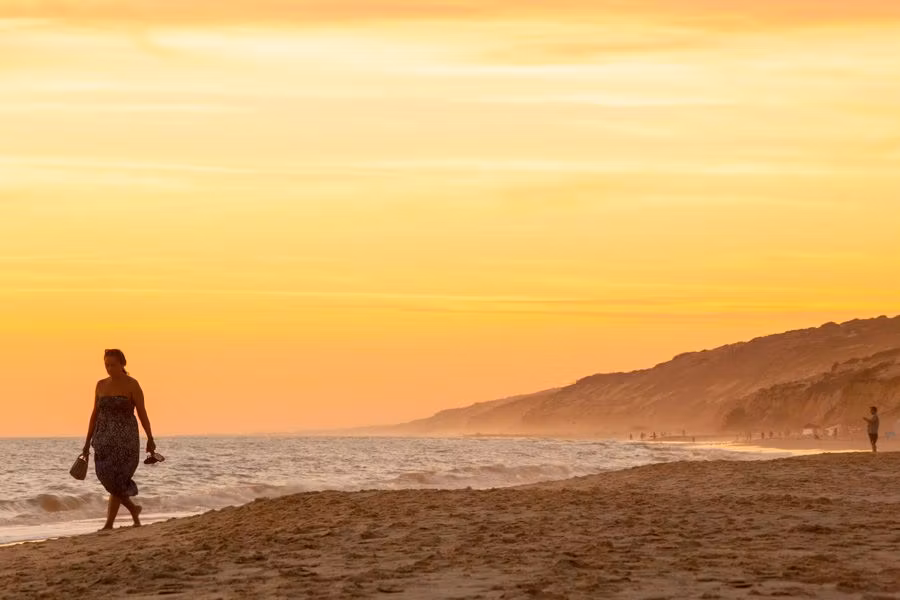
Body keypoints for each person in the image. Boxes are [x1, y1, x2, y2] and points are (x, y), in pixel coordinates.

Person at [81, 349, 157, 529]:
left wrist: (150, 438)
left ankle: (109, 524)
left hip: (126, 442)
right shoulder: (100, 385)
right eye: (106, 365)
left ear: (122, 364)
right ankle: (133, 510)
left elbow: (142, 413)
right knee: (107, 478)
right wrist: (87, 442)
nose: (109, 368)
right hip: (103, 441)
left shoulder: (132, 385)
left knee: (118, 481)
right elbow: (94, 414)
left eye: (113, 365)